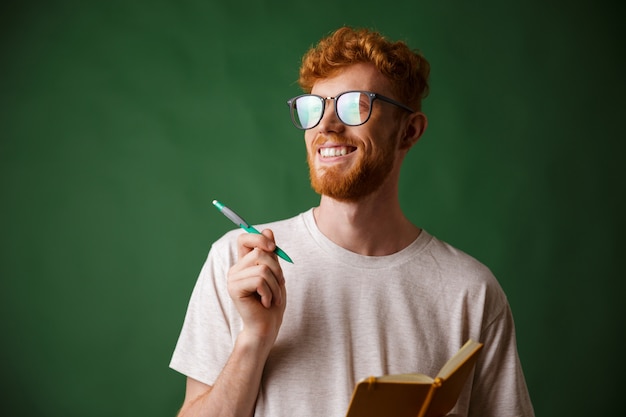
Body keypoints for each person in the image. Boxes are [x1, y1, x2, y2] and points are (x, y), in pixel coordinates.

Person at [170, 26, 535, 417]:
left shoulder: (472, 292)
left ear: (409, 132)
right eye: (315, 108)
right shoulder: (240, 263)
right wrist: (253, 339)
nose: (326, 126)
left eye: (354, 105)